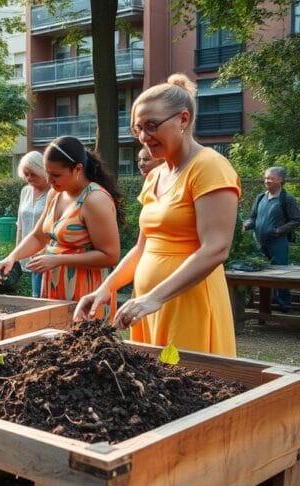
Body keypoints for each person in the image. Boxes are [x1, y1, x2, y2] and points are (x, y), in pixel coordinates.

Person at [75, 74, 241, 356]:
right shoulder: (156, 176)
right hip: (150, 305)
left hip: (188, 303)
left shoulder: (209, 167)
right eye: (137, 128)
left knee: (189, 385)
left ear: (183, 120)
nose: (143, 137)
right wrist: (106, 288)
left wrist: (155, 298)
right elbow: (143, 246)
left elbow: (216, 248)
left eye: (152, 126)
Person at [0, 137, 122, 306]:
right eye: (47, 173)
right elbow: (39, 237)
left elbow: (110, 256)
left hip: (87, 293)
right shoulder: (56, 193)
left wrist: (58, 259)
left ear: (78, 169)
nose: (49, 180)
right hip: (54, 288)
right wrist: (12, 257)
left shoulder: (95, 200)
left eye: (56, 175)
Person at [242, 166, 299, 312]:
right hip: (259, 242)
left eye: (271, 178)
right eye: (266, 178)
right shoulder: (261, 197)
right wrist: (246, 225)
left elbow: (296, 220)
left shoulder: (286, 199)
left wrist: (278, 230)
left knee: (280, 275)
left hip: (277, 243)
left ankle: (285, 306)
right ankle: (266, 304)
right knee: (261, 274)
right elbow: (253, 218)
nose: (266, 181)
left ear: (280, 180)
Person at [14, 151, 50, 297]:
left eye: (33, 174)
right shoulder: (25, 191)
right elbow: (20, 225)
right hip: (28, 253)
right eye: (26, 174)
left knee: (41, 297)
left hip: (46, 255)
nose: (29, 178)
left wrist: (45, 251)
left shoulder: (54, 192)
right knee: (35, 295)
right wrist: (15, 255)